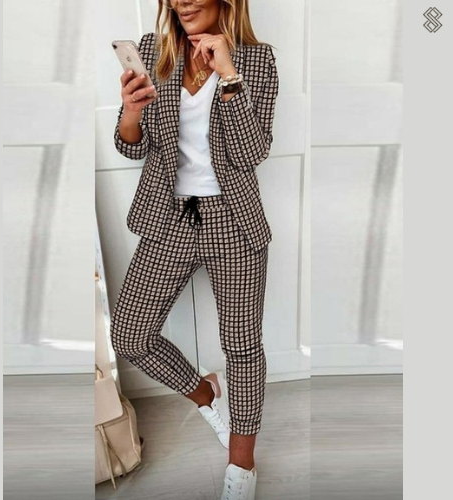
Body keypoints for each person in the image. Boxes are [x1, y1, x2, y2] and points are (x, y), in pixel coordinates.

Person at [111, 1, 279, 498]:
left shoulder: (256, 58)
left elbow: (252, 152)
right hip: (169, 218)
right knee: (131, 336)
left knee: (242, 347)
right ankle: (205, 392)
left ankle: (242, 466)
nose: (182, 2)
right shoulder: (152, 50)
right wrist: (131, 113)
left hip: (233, 220)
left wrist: (229, 76)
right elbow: (131, 146)